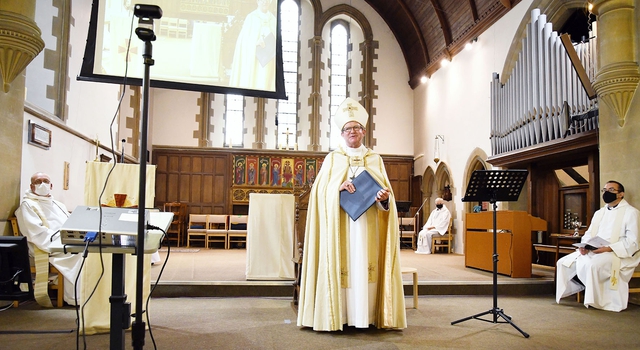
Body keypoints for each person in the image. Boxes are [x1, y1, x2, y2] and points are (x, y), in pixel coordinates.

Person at [297, 97, 406, 331]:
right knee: (344, 266)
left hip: (369, 227)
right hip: (341, 226)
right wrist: (336, 188)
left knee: (365, 266)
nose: (352, 132)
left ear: (364, 131)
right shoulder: (332, 159)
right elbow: (318, 194)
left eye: (356, 127)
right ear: (342, 133)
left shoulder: (375, 159)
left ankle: (366, 316)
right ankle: (341, 316)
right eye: (348, 128)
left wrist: (384, 200)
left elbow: (388, 196)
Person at [556, 180, 640, 312]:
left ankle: (596, 300)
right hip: (594, 249)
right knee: (563, 262)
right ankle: (583, 289)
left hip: (616, 251)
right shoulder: (600, 213)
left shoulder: (631, 212)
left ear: (621, 194)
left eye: (611, 190)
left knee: (593, 266)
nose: (607, 192)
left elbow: (633, 241)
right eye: (605, 190)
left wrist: (608, 248)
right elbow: (589, 233)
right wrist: (584, 246)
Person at [15, 172, 83, 306]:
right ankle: (74, 297)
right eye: (38, 182)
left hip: (63, 241)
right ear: (31, 186)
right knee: (80, 254)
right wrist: (63, 240)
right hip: (42, 245)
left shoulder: (58, 205)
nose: (42, 184)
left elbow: (70, 224)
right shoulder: (27, 205)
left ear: (51, 185)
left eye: (45, 181)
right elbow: (35, 232)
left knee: (87, 250)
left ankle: (83, 293)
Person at [229, 0, 276, 90]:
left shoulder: (273, 19)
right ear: (257, 1)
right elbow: (243, 41)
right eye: (262, 0)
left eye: (267, 0)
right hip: (254, 59)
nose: (265, 2)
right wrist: (255, 43)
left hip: (268, 59)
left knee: (265, 82)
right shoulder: (251, 17)